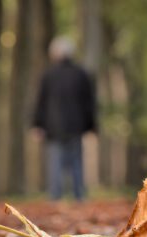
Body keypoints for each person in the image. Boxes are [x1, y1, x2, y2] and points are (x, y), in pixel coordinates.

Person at [32, 37, 97, 201]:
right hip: (77, 126)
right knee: (76, 162)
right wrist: (91, 126)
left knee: (55, 163)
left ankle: (55, 197)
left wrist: (37, 125)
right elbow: (89, 102)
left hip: (54, 127)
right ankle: (79, 195)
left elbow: (41, 102)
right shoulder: (81, 74)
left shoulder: (49, 75)